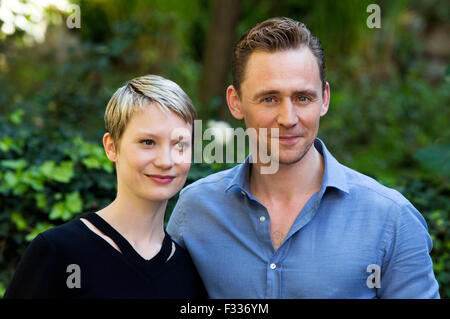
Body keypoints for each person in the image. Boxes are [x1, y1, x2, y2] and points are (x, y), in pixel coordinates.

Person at [167, 17, 440, 298]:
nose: (288, 119)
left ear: (324, 98)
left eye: (302, 98)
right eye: (269, 99)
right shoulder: (197, 211)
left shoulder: (391, 220)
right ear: (235, 102)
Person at [5, 75, 206, 298]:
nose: (165, 161)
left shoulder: (191, 271)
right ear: (111, 147)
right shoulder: (58, 252)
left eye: (180, 144)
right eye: (147, 142)